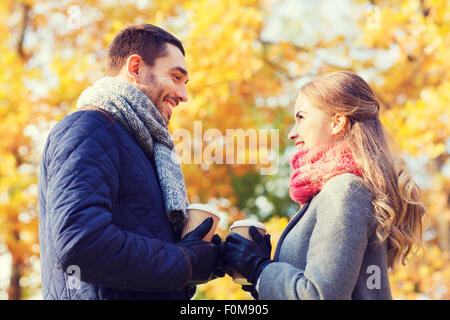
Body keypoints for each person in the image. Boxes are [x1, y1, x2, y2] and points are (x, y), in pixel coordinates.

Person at [38, 24, 221, 300]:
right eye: (175, 77)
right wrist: (186, 261)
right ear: (135, 68)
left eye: (185, 83)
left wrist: (210, 257)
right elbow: (81, 243)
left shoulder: (147, 150)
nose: (184, 95)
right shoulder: (88, 128)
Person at [221, 71, 425, 299]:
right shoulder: (336, 192)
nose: (292, 133)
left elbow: (319, 295)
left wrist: (258, 269)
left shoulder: (345, 191)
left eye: (301, 117)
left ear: (337, 122)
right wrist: (258, 277)